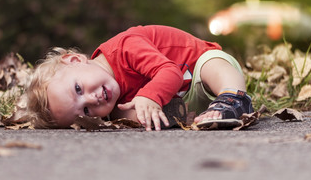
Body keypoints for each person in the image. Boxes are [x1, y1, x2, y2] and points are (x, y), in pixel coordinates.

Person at [26, 25, 254, 131]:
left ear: (75, 60)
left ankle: (233, 98)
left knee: (211, 62)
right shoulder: (110, 100)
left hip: (196, 75)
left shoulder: (125, 47)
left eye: (78, 89)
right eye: (85, 111)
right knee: (123, 111)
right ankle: (182, 116)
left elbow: (170, 72)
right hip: (181, 101)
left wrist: (150, 96)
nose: (92, 99)